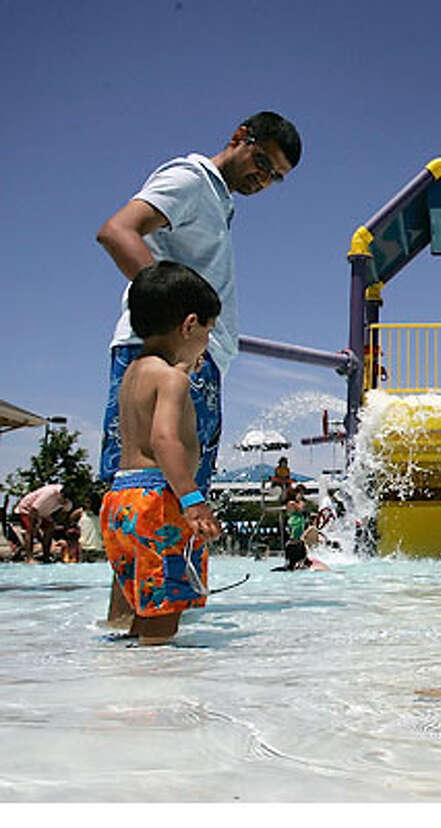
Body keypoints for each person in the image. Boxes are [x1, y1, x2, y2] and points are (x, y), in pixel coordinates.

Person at [96, 112, 302, 498]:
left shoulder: (219, 201)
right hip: (166, 350)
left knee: (185, 496)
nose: (264, 179)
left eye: (275, 176)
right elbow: (117, 231)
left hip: (194, 354)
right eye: (262, 163)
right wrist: (176, 319)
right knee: (146, 491)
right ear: (240, 137)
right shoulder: (191, 179)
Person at [99, 262, 223, 645]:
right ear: (189, 326)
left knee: (145, 611)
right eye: (208, 331)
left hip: (121, 501)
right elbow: (164, 439)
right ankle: (156, 694)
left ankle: (129, 684)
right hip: (159, 503)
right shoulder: (172, 379)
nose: (207, 340)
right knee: (165, 618)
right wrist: (192, 499)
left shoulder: (135, 373)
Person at [15, 483, 72, 562]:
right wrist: (35, 526)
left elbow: (62, 514)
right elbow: (33, 509)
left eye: (66, 500)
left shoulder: (68, 503)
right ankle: (30, 557)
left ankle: (46, 556)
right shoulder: (49, 493)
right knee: (30, 530)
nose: (63, 501)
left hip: (43, 513)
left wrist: (54, 523)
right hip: (27, 509)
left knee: (50, 528)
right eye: (63, 498)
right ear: (60, 494)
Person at [75, 493, 106, 563]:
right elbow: (71, 518)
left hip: (98, 550)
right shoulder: (82, 514)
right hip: (84, 549)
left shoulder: (102, 515)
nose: (86, 505)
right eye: (85, 502)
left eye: (88, 502)